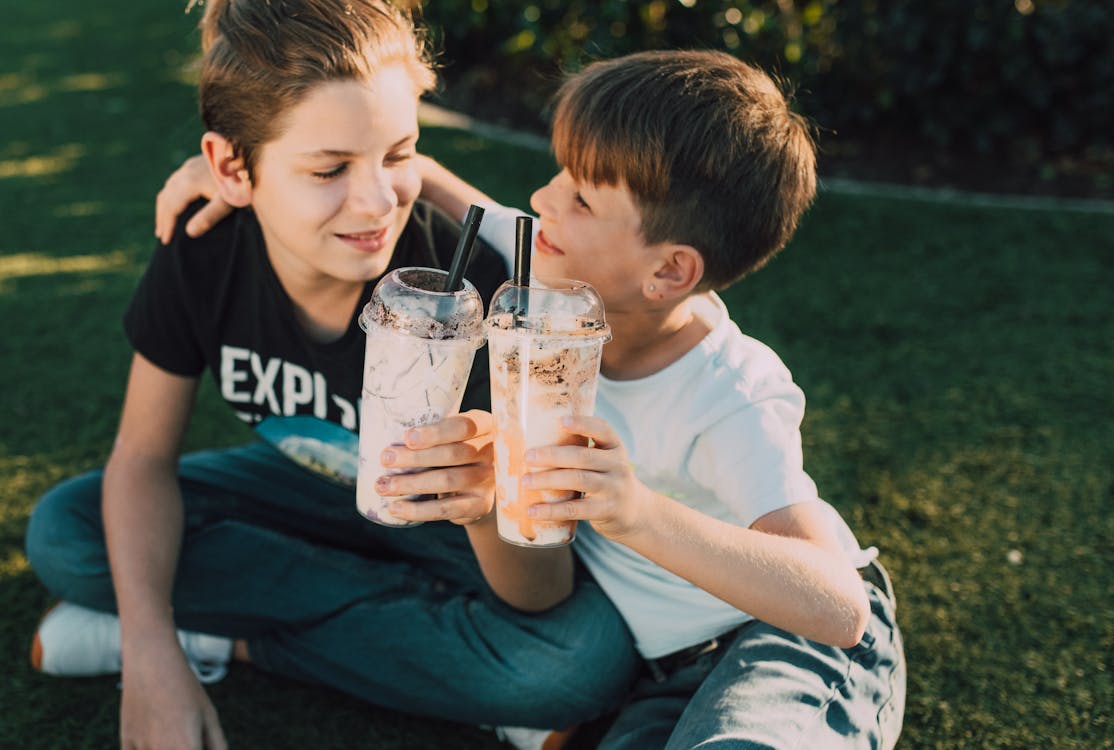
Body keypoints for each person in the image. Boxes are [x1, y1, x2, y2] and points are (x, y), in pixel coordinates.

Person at [152, 49, 906, 749]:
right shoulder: (553, 270)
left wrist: (632, 510)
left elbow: (834, 606)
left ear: (669, 272)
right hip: (650, 665)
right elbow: (436, 189)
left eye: (577, 196)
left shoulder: (729, 393)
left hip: (773, 640)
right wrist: (243, 171)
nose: (542, 198)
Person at [23, 2, 636, 749]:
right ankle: (422, 647)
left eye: (397, 153)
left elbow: (539, 590)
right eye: (327, 169)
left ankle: (226, 640)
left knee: (577, 663)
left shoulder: (467, 290)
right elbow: (142, 459)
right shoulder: (207, 248)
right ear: (227, 169)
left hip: (440, 529)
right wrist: (151, 655)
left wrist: (480, 506)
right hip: (307, 486)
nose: (377, 201)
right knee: (68, 530)